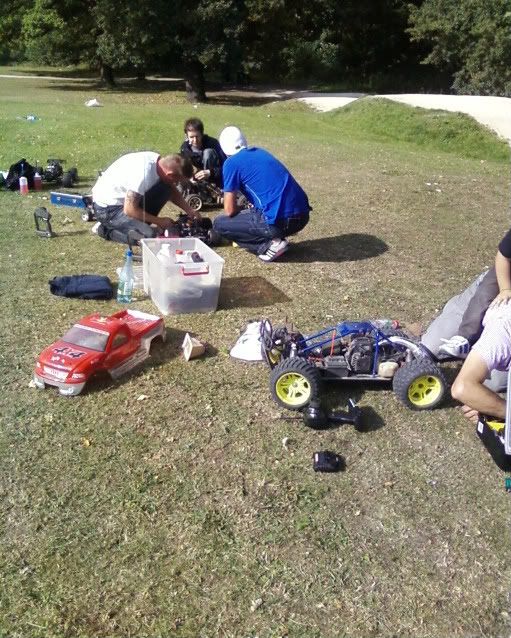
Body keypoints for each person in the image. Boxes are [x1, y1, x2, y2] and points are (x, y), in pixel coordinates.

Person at [212, 126, 311, 262]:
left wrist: (242, 211)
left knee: (219, 223)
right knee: (255, 212)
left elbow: (229, 210)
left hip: (281, 221)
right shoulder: (260, 152)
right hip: (303, 216)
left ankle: (268, 246)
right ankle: (276, 237)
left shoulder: (231, 163)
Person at [91, 152, 199, 244]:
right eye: (177, 181)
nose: (177, 184)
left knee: (166, 188)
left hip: (126, 203)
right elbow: (129, 209)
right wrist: (159, 221)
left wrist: (189, 210)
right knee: (150, 237)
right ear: (170, 174)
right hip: (108, 209)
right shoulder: (143, 174)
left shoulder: (159, 162)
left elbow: (171, 189)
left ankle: (136, 224)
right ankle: (104, 229)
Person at [438, 226, 511, 357]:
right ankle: (465, 337)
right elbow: (503, 256)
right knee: (486, 292)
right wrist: (505, 288)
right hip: (507, 269)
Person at [451, 303, 511, 423]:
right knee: (432, 345)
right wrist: (500, 409)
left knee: (491, 385)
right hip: (487, 301)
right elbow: (463, 388)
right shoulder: (501, 331)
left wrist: (487, 405)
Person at [179, 118, 226, 187]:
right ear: (186, 136)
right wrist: (189, 178)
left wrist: (210, 172)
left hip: (215, 179)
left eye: (197, 136)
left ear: (202, 134)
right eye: (191, 137)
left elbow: (226, 166)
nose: (195, 140)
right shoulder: (184, 149)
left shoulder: (213, 144)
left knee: (208, 152)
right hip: (197, 182)